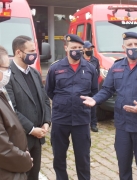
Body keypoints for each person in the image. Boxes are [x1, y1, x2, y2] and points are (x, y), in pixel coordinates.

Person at [81, 32, 137, 180]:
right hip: (122, 126)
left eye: (136, 45)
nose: (133, 48)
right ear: (123, 47)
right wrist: (95, 100)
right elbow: (107, 90)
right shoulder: (116, 66)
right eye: (129, 45)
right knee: (123, 166)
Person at [45, 34, 98, 180]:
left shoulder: (90, 68)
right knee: (59, 157)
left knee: (83, 158)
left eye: (80, 48)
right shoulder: (55, 68)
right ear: (66, 48)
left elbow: (94, 92)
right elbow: (49, 91)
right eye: (73, 48)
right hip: (60, 119)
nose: (77, 51)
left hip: (81, 120)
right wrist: (63, 102)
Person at [5, 35, 51, 180]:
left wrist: (46, 122)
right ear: (18, 52)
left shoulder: (35, 73)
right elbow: (11, 110)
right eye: (30, 51)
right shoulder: (7, 76)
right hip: (19, 139)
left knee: (34, 175)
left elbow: (44, 99)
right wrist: (31, 129)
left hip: (38, 138)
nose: (34, 55)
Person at [0, 45, 33, 180]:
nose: (9, 72)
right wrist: (25, 160)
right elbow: (3, 149)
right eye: (6, 68)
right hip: (8, 171)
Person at [83, 41, 100, 132]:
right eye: (88, 48)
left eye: (91, 49)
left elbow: (97, 73)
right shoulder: (80, 59)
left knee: (93, 106)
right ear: (83, 49)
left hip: (92, 87)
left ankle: (93, 124)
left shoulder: (95, 60)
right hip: (83, 87)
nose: (90, 50)